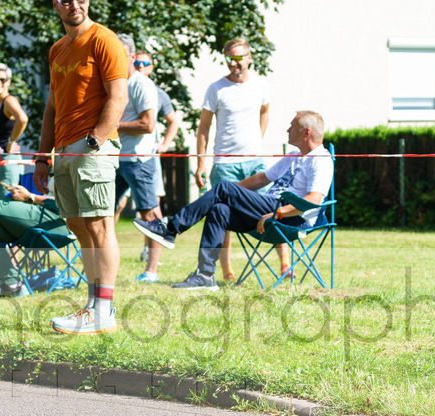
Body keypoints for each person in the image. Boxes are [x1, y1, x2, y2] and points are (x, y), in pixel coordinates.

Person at [134, 111, 333, 290]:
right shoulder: (293, 156)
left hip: (289, 218)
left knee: (223, 187)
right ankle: (205, 275)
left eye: (292, 126)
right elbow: (261, 179)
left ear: (306, 132)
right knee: (219, 209)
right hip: (270, 210)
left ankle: (170, 229)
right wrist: (228, 193)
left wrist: (277, 214)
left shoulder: (320, 160)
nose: (288, 130)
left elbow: (313, 200)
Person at [33, 0, 128, 335]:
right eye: (64, 0)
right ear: (55, 5)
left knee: (100, 225)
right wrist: (42, 157)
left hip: (92, 147)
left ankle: (104, 310)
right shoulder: (57, 49)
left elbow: (119, 97)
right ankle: (92, 307)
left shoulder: (104, 39)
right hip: (63, 149)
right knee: (78, 225)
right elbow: (52, 107)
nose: (73, 4)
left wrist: (95, 140)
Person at [196, 37, 270, 281]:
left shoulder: (261, 86)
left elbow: (265, 112)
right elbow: (204, 127)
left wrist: (257, 140)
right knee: (222, 214)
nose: (232, 63)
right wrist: (201, 163)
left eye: (237, 58)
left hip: (255, 162)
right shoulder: (216, 88)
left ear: (249, 57)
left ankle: (284, 266)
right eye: (228, 58)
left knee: (271, 208)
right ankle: (226, 271)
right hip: (224, 164)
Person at [112, 35, 163, 284]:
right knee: (103, 213)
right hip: (114, 158)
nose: (114, 59)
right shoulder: (114, 83)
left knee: (149, 215)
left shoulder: (142, 84)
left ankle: (151, 271)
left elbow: (148, 124)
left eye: (120, 54)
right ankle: (104, 268)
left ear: (132, 57)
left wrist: (114, 125)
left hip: (138, 160)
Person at [129, 50, 179, 272]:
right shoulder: (123, 86)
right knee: (114, 207)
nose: (140, 66)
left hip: (144, 158)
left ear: (151, 67)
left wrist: (165, 144)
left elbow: (172, 121)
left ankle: (151, 262)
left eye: (145, 63)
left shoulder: (157, 93)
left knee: (150, 208)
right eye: (137, 62)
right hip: (121, 157)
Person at [0, 62, 29, 188]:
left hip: (10, 160)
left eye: (2, 79)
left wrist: (11, 142)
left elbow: (23, 119)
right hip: (1, 158)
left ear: (9, 82)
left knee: (3, 198)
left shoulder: (9, 101)